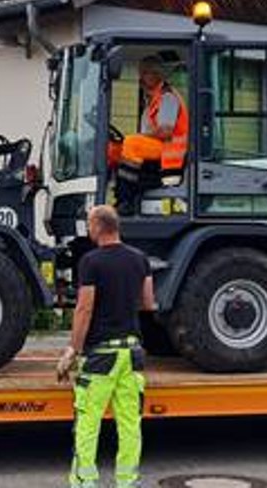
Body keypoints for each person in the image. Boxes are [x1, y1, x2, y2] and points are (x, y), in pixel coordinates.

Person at [58, 205, 157, 488]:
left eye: (89, 225)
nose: (88, 230)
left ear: (98, 226)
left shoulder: (92, 261)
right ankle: (127, 481)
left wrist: (72, 351)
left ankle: (85, 482)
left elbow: (84, 309)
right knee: (130, 424)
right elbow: (148, 302)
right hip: (132, 354)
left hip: (102, 356)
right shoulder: (140, 259)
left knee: (88, 422)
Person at [115, 55, 189, 213]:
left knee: (131, 143)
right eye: (141, 73)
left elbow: (165, 131)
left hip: (169, 153)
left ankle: (125, 200)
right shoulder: (153, 99)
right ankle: (120, 194)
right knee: (114, 148)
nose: (141, 77)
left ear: (157, 74)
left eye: (145, 73)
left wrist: (140, 138)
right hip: (160, 149)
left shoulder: (167, 97)